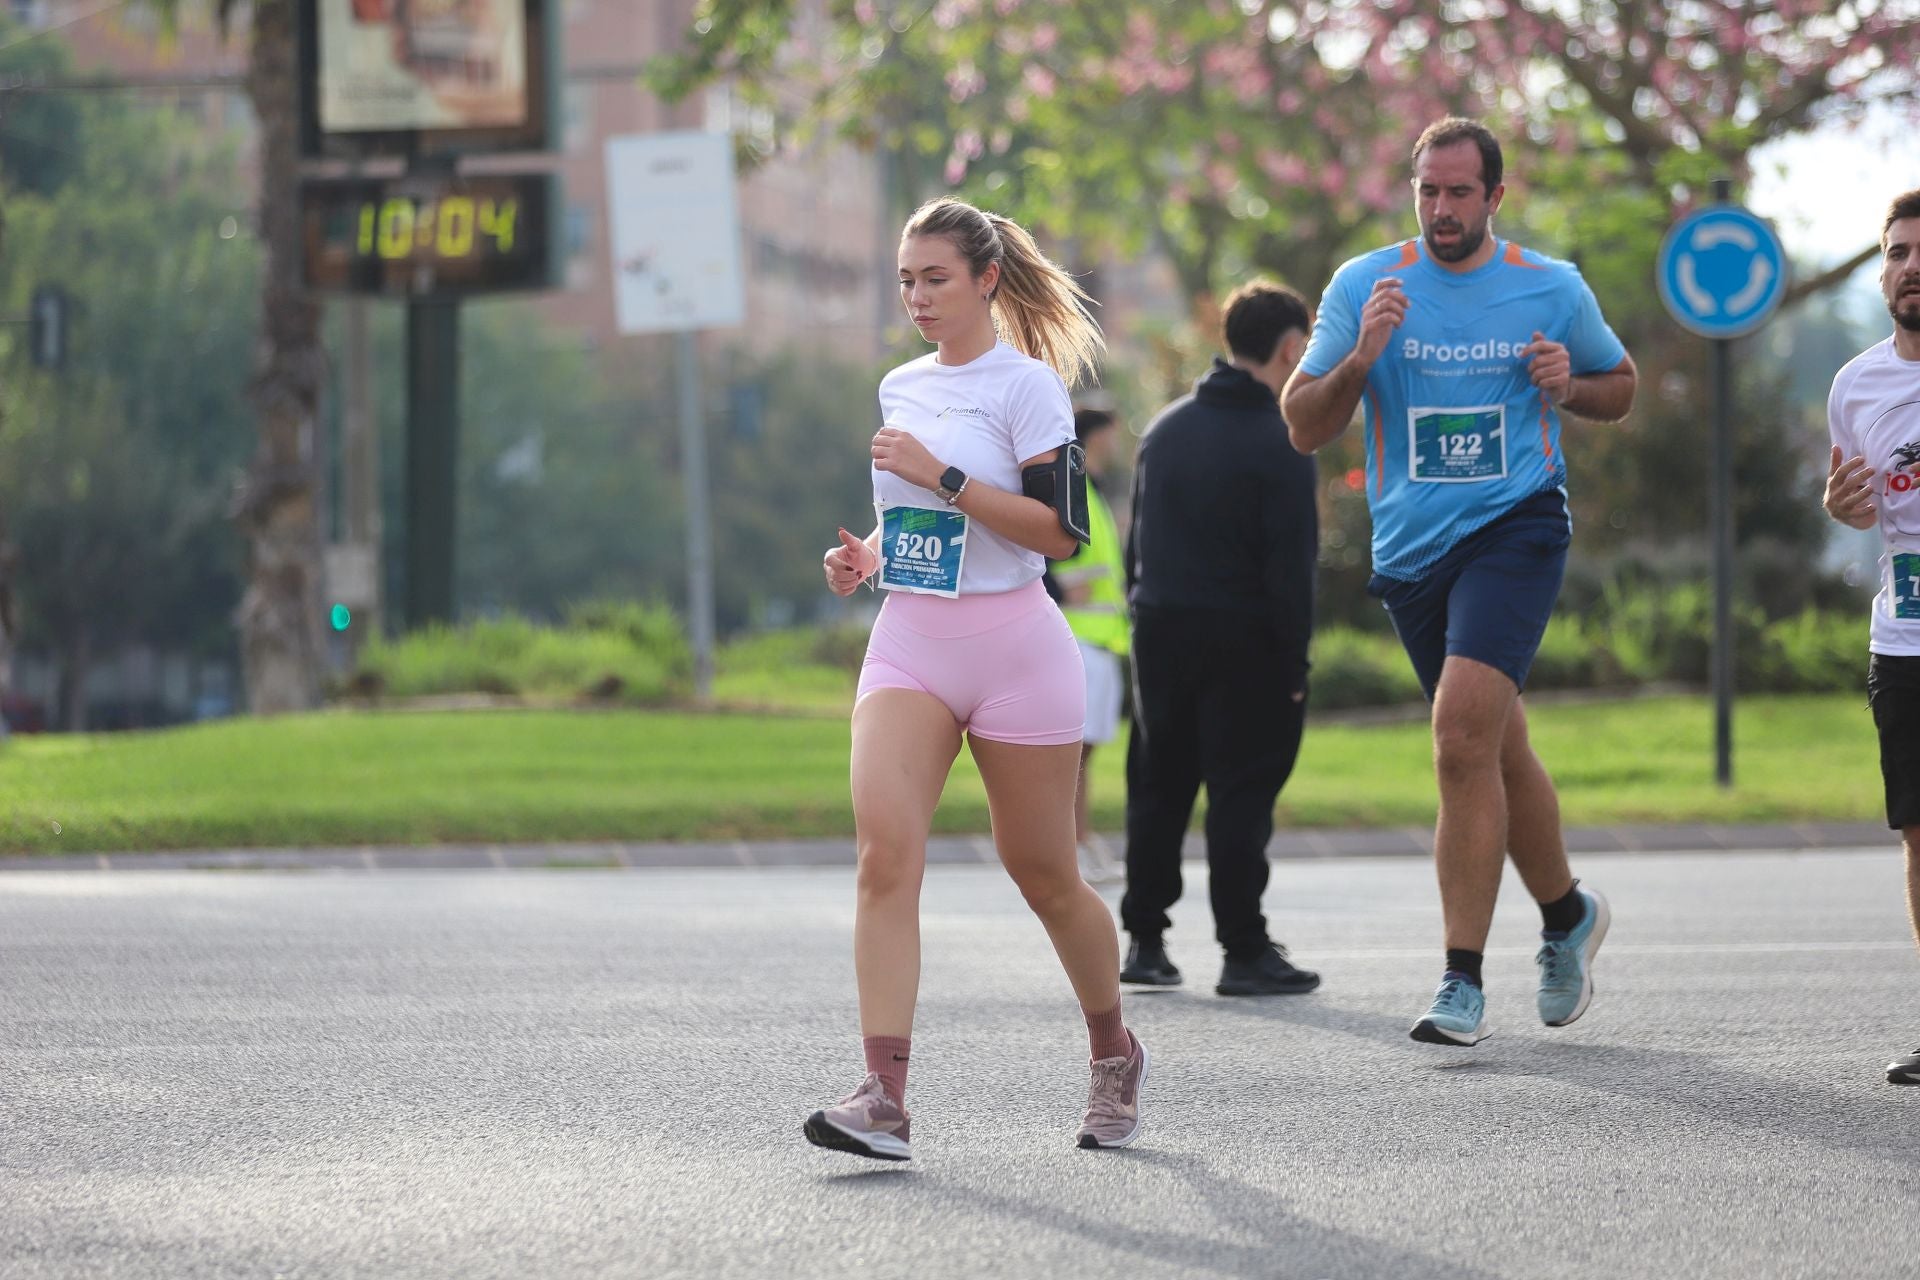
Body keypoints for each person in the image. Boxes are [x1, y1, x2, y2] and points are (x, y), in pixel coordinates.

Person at [1281, 118, 1637, 1046]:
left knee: (1457, 737)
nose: (1441, 210)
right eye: (1428, 191)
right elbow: (1302, 426)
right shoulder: (1366, 285)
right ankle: (1567, 915)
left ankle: (1461, 979)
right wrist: (1362, 356)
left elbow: (1622, 385)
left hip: (1516, 528)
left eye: (1459, 194)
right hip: (1412, 553)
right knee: (1496, 749)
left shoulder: (1549, 288)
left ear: (1495, 197)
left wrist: (1568, 386)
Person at [808, 197, 1148, 1161]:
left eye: (935, 278)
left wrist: (945, 474)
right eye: (906, 279)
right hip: (912, 641)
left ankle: (1113, 1052)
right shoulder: (900, 386)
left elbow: (1059, 533)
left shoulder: (1029, 388)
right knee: (885, 856)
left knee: (1044, 873)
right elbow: (917, 523)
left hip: (1016, 650)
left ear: (986, 280)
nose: (916, 296)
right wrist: (866, 558)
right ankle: (884, 1097)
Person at [1118, 281, 1324, 997]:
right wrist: (1295, 662)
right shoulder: (1285, 440)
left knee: (1157, 784)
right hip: (1247, 643)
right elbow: (1290, 571)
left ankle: (1145, 939)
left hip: (1161, 630)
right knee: (1240, 795)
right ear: (1292, 348)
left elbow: (1133, 550)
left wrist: (1144, 612)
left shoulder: (1164, 431)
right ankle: (1243, 949)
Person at [1821, 186, 1920, 1087]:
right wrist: (1840, 505)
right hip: (1906, 639)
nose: (1911, 266)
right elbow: (1859, 502)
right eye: (1897, 252)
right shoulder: (1857, 384)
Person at [1049, 408, 1131, 887]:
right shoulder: (1074, 489)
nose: (1117, 445)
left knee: (1085, 751)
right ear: (1094, 438)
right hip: (1078, 636)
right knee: (1075, 752)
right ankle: (1070, 847)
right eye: (1111, 436)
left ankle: (1079, 839)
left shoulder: (1094, 492)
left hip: (1099, 640)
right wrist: (1060, 591)